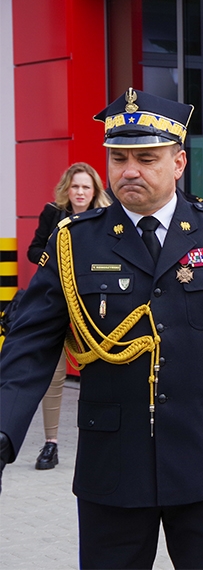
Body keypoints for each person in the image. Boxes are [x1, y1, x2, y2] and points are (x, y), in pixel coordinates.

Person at [0, 88, 203, 569]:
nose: (129, 170)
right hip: (112, 464)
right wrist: (3, 433)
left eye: (146, 158)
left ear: (178, 163)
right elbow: (29, 345)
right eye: (119, 157)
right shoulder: (75, 242)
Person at [25, 163, 112, 471]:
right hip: (57, 303)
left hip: (95, 307)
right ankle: (51, 444)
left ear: (94, 191)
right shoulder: (53, 214)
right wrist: (55, 257)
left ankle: (104, 438)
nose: (79, 192)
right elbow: (33, 250)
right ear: (67, 188)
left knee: (102, 370)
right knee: (55, 376)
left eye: (85, 187)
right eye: (75, 186)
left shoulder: (107, 219)